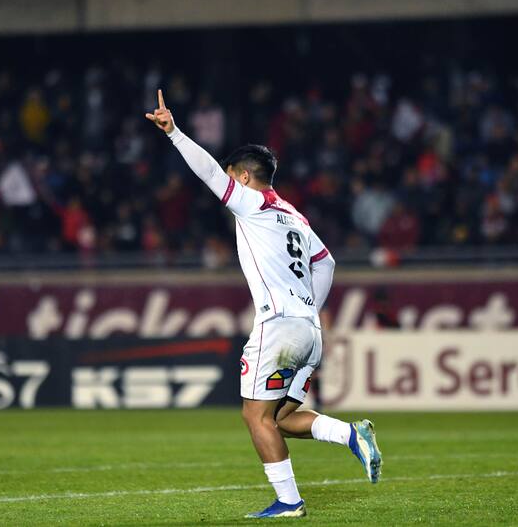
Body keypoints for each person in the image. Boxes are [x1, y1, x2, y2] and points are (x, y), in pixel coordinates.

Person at [146, 90, 382, 519]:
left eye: (232, 176)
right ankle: (351, 435)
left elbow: (208, 175)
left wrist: (175, 132)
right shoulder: (296, 216)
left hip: (278, 329)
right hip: (310, 331)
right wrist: (311, 306)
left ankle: (289, 503)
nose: (228, 182)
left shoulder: (251, 202)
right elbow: (326, 263)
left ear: (245, 177)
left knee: (255, 417)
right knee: (281, 419)